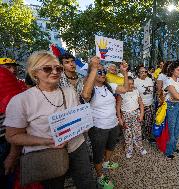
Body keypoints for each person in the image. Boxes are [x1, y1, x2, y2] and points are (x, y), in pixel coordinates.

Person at [4, 51, 96, 189]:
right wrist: (48, 141)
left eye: (58, 68)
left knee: (87, 182)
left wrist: (85, 123)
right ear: (34, 72)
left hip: (77, 146)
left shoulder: (69, 90)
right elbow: (13, 136)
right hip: (47, 152)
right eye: (47, 68)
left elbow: (78, 116)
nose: (55, 72)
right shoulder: (21, 100)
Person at [81, 57, 129, 189]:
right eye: (99, 72)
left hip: (113, 125)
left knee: (111, 146)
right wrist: (94, 68)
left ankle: (107, 162)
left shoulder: (109, 86)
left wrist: (124, 72)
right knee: (98, 154)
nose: (103, 74)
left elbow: (125, 89)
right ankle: (100, 176)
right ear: (92, 74)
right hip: (98, 128)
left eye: (104, 72)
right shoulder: (89, 89)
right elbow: (85, 95)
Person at [0, 65, 26, 188]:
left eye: (12, 67)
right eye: (8, 67)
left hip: (5, 145)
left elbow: (18, 123)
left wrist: (13, 154)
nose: (12, 70)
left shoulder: (4, 78)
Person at [117, 76, 147, 158]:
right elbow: (118, 107)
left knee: (137, 132)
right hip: (125, 116)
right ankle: (129, 150)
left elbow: (141, 104)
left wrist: (141, 114)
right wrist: (120, 118)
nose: (130, 85)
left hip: (136, 114)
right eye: (128, 84)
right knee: (127, 134)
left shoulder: (136, 91)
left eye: (132, 83)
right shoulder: (121, 93)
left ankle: (139, 148)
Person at [164, 63, 179, 159]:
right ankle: (168, 152)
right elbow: (178, 96)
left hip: (178, 105)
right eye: (178, 70)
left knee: (178, 127)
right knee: (171, 129)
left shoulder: (178, 81)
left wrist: (178, 96)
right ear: (172, 71)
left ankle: (173, 147)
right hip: (171, 107)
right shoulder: (168, 81)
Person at [134, 65, 155, 143]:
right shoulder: (135, 81)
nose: (144, 73)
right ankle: (140, 136)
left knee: (149, 122)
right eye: (142, 72)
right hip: (140, 106)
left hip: (149, 105)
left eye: (145, 71)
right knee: (140, 122)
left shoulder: (149, 79)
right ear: (138, 73)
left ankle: (148, 136)